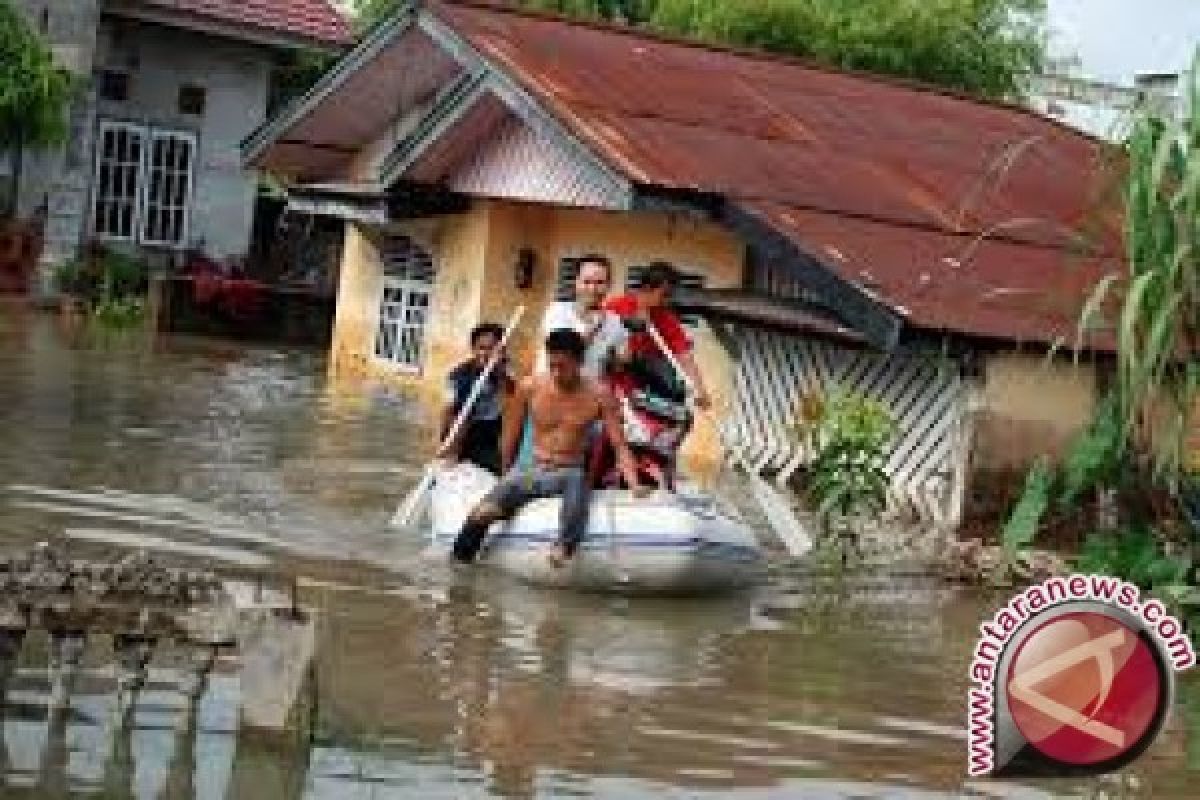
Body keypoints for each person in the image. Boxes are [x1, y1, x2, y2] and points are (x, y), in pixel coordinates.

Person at [452, 329, 646, 568]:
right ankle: (458, 571)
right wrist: (505, 476)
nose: (555, 372)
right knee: (480, 514)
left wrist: (635, 485)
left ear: (580, 362)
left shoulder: (600, 395)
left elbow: (619, 446)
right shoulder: (530, 386)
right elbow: (509, 437)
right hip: (531, 468)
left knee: (578, 481)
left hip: (568, 471)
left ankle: (564, 547)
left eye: (562, 366)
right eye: (551, 365)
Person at [599, 260, 713, 489]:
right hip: (609, 387)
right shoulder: (614, 309)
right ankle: (612, 472)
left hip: (640, 391)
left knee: (682, 417)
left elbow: (684, 356)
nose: (667, 300)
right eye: (665, 294)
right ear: (647, 289)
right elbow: (604, 352)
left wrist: (700, 390)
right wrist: (625, 345)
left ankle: (655, 466)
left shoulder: (666, 318)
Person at [535, 254, 628, 379]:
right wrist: (594, 328)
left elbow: (617, 367)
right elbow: (562, 355)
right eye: (587, 282)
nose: (592, 289)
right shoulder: (558, 311)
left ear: (608, 285)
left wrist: (621, 360)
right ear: (576, 282)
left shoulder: (615, 322)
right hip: (550, 393)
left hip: (587, 396)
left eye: (600, 283)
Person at [438, 323, 514, 475]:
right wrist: (450, 450)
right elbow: (452, 415)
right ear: (473, 349)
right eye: (481, 348)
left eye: (492, 349)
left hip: (492, 434)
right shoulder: (460, 377)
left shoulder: (504, 375)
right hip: (465, 436)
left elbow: (511, 410)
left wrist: (499, 374)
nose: (486, 354)